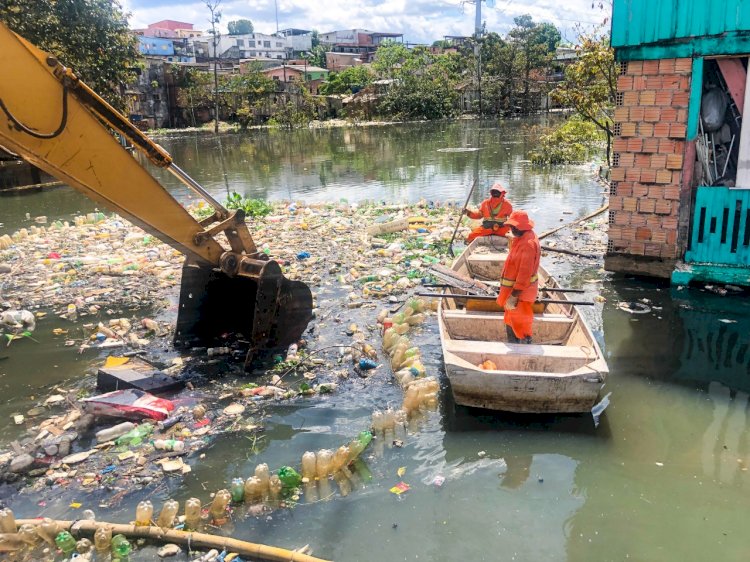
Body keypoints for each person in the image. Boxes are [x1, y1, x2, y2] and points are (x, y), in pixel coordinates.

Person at [496, 210, 540, 344]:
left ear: (519, 227)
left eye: (513, 227)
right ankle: (515, 344)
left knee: (520, 324)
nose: (511, 230)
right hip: (516, 291)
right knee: (512, 319)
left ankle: (523, 348)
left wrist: (514, 296)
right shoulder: (525, 237)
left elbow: (524, 274)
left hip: (520, 293)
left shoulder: (527, 244)